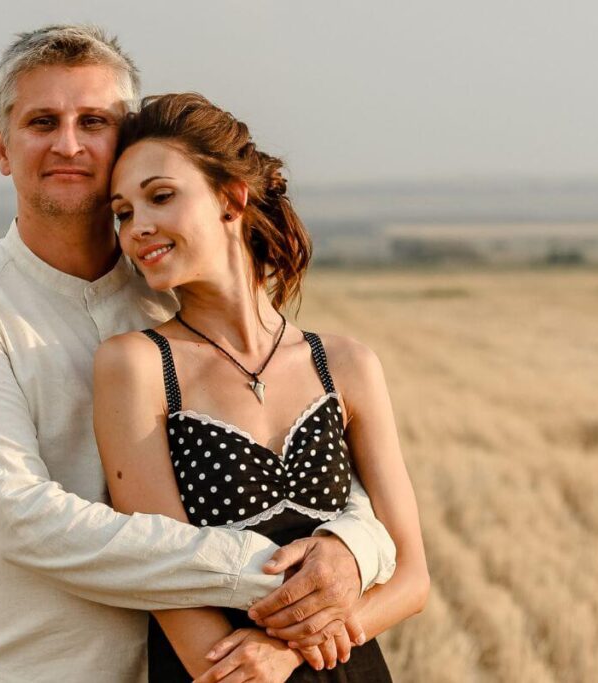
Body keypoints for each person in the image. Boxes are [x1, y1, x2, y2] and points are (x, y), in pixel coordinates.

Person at [0, 26, 398, 681]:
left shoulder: (173, 293)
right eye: (42, 122)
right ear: (3, 149)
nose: (69, 143)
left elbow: (325, 469)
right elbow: (24, 519)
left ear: (124, 140)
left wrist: (348, 549)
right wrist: (270, 570)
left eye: (94, 121)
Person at [94, 93, 429, 682]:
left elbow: (412, 580)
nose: (137, 226)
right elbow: (164, 574)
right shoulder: (136, 366)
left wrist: (289, 652)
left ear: (231, 199)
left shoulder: (345, 364)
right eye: (122, 212)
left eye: (161, 196)